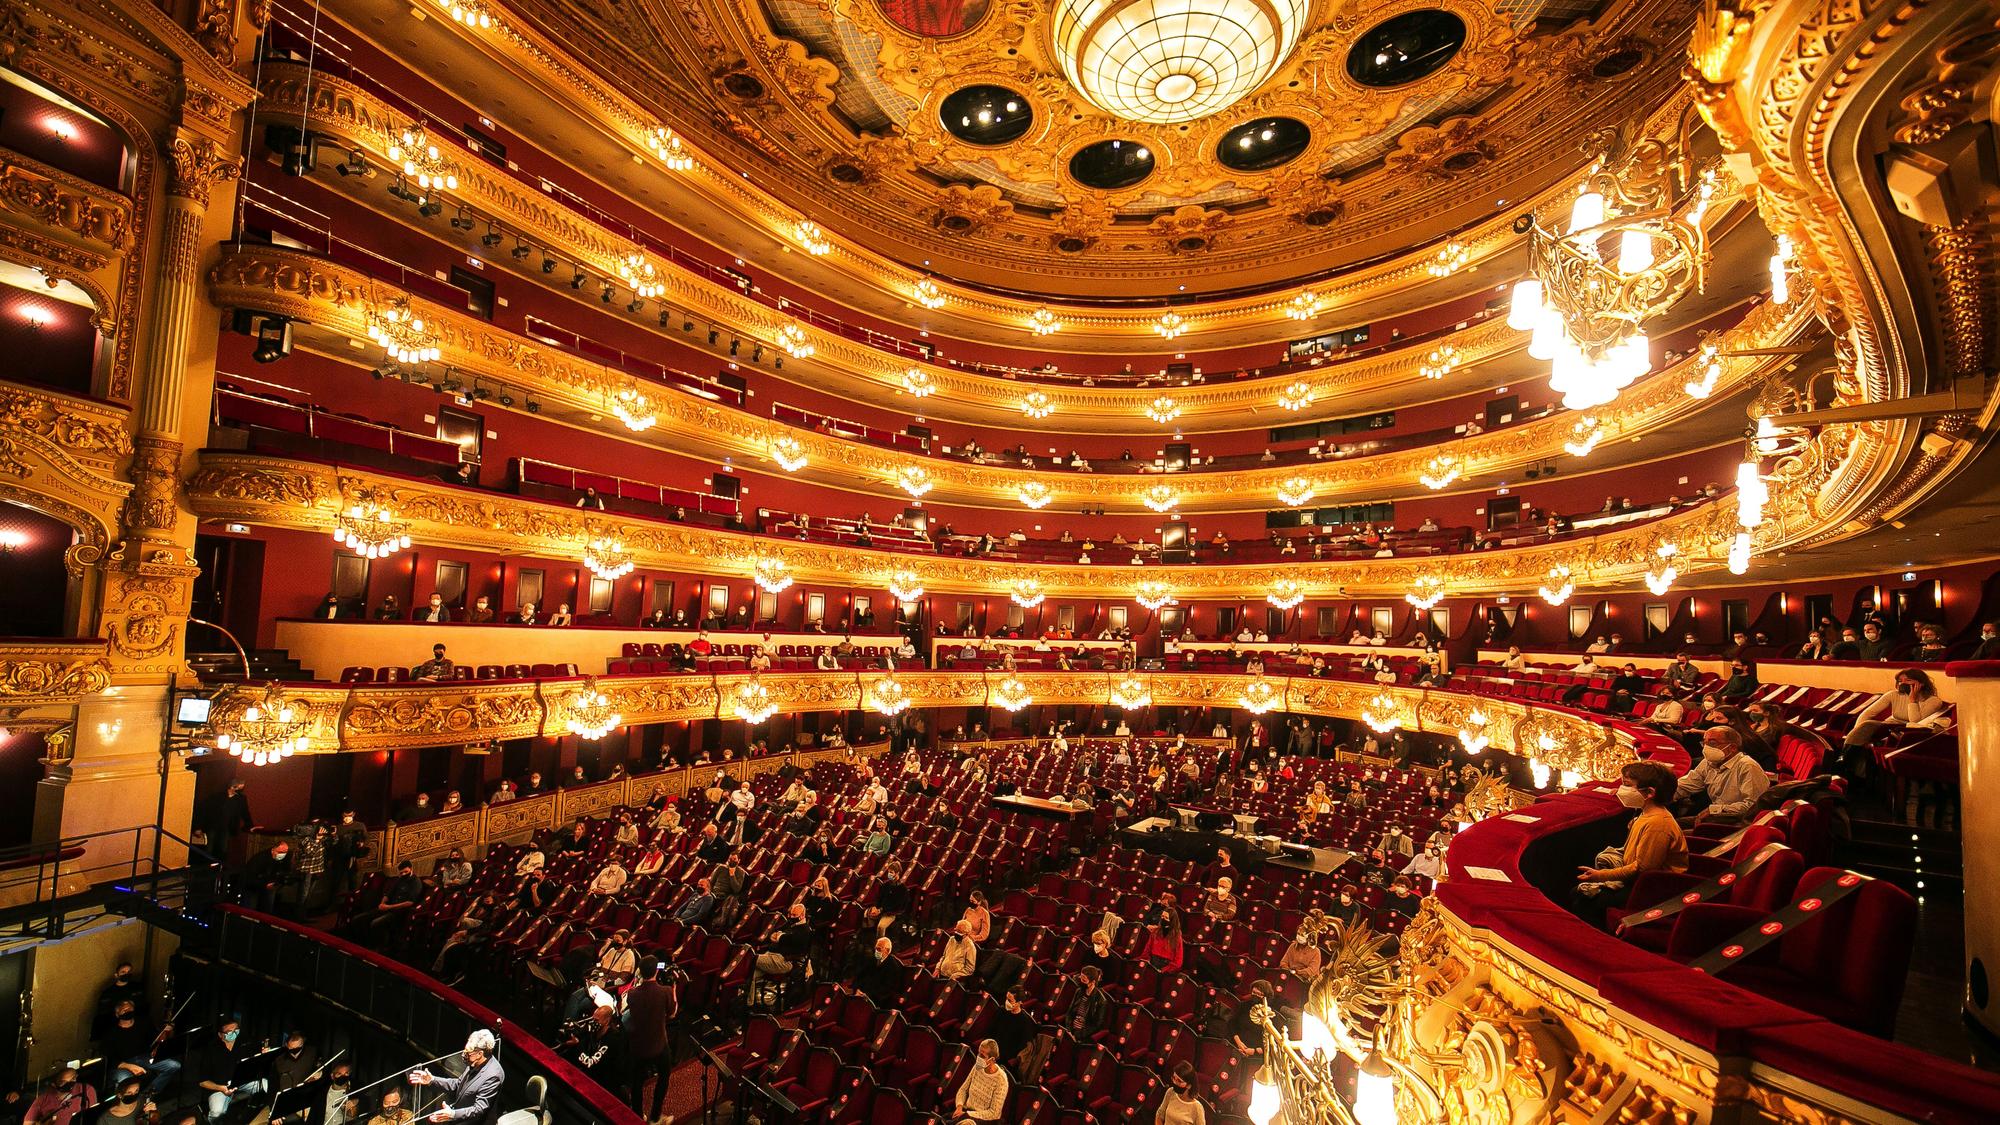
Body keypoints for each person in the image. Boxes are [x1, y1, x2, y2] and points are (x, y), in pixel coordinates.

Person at [1572, 760, 1688, 925]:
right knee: (1578, 892)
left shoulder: (1657, 824)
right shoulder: (1645, 814)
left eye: (1627, 785)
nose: (1621, 790)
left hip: (1652, 889)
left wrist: (1600, 875)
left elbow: (1642, 869)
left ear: (1649, 793)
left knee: (1582, 898)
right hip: (1641, 881)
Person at [1840, 667, 1951, 776]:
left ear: (1921, 683)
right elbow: (1868, 713)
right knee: (1865, 727)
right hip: (1888, 726)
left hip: (1907, 730)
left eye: (1908, 681)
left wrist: (1912, 700)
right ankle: (1850, 769)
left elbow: (1915, 721)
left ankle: (1843, 763)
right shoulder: (1893, 695)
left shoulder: (1933, 701)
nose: (1902, 684)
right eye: (1900, 681)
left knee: (1867, 726)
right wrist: (1856, 730)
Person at [1674, 727, 1771, 824]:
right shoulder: (1708, 762)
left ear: (1732, 747)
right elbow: (1687, 784)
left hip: (1737, 822)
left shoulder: (1748, 766)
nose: (1706, 748)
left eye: (1712, 743)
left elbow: (1753, 806)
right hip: (1715, 816)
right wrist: (1664, 792)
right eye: (1704, 743)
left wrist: (1716, 810)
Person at [408, 1029, 503, 1125]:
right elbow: (458, 1084)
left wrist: (453, 1114)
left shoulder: (493, 1075)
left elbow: (479, 1109)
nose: (464, 1055)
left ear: (479, 1054)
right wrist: (432, 1080)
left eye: (468, 1053)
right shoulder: (474, 1063)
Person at [623, 960, 678, 1121]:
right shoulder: (665, 991)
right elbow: (672, 1013)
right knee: (663, 1077)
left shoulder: (632, 993)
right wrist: (674, 990)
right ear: (656, 971)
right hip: (659, 1044)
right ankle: (655, 1116)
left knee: (637, 1082)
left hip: (638, 1045)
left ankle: (637, 1115)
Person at [195, 1020, 263, 1121]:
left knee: (265, 1085)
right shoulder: (210, 1050)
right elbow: (202, 1082)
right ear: (220, 1035)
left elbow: (255, 1058)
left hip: (242, 1082)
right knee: (217, 1113)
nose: (234, 1034)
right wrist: (221, 1088)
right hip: (220, 1087)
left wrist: (262, 1054)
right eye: (230, 1032)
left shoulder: (244, 1042)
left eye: (236, 1030)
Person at [951, 1040, 1009, 1125]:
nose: (978, 1057)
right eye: (978, 1053)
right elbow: (963, 1090)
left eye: (982, 1055)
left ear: (992, 1059)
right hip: (967, 1112)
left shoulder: (1001, 1079)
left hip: (985, 1119)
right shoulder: (977, 1067)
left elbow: (994, 1113)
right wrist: (959, 1107)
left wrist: (968, 1115)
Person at [848, 936, 907, 1008]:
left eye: (879, 949)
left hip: (876, 1001)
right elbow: (860, 975)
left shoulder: (893, 967)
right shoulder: (872, 959)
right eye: (875, 948)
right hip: (861, 993)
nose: (876, 951)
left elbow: (887, 989)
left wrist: (868, 995)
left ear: (887, 950)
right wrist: (857, 989)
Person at [25, 1065, 95, 1125]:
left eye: (72, 1079)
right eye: (63, 1082)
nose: (69, 1084)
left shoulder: (86, 1090)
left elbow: (93, 1116)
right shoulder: (43, 1098)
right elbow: (28, 1123)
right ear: (54, 1083)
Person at [1065, 965, 1110, 1040]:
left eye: (1084, 980)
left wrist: (1077, 1035)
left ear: (1092, 982)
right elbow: (1069, 1013)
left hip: (1083, 1034)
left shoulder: (1101, 1000)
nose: (1081, 981)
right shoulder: (1079, 991)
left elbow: (1096, 1025)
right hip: (1070, 1030)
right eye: (1081, 977)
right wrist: (1069, 1030)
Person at [1156, 1061, 1207, 1125]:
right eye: (1174, 1078)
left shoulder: (1197, 1107)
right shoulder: (1170, 1092)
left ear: (1189, 1086)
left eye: (1179, 1081)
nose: (1174, 1082)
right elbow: (1160, 1115)